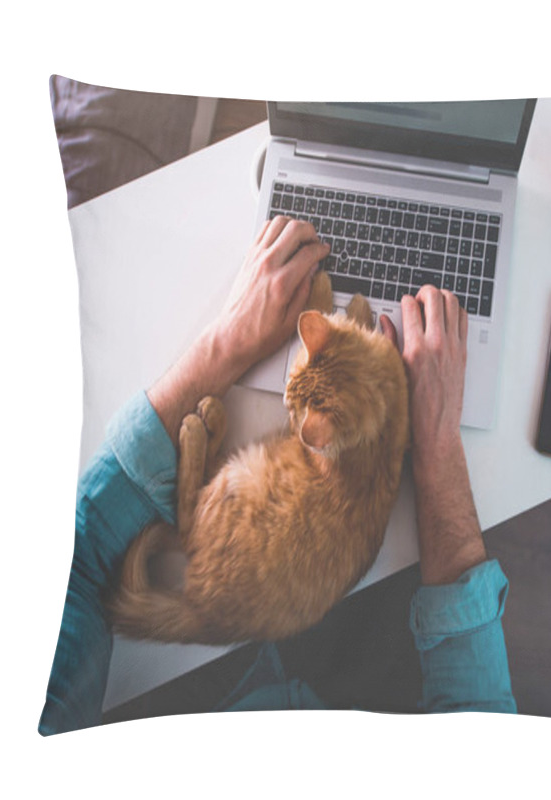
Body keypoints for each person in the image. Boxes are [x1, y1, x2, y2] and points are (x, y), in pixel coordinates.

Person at [39, 216, 516, 735]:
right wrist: (439, 443)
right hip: (323, 640)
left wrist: (225, 345)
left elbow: (78, 556)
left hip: (278, 638)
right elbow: (481, 724)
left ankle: (190, 510)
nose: (294, 417)